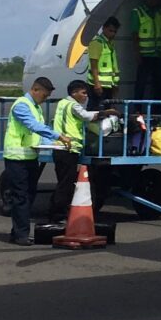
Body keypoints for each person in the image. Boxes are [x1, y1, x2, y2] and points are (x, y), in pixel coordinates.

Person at [0, 77, 59, 245]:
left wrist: (55, 143)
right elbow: (33, 126)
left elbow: (37, 135)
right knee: (21, 196)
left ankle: (17, 232)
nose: (45, 99)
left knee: (29, 195)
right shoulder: (22, 105)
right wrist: (56, 135)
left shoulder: (35, 108)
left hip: (30, 157)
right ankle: (21, 235)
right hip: (16, 158)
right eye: (44, 95)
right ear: (35, 90)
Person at [46, 79, 105, 228]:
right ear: (74, 93)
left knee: (63, 183)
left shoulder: (62, 103)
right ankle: (58, 216)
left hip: (61, 149)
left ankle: (57, 213)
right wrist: (105, 112)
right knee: (66, 184)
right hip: (67, 148)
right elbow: (86, 116)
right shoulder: (73, 105)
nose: (86, 96)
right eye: (83, 93)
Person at [131, 0, 161, 104]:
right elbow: (134, 34)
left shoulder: (160, 12)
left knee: (159, 83)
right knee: (141, 83)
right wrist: (137, 52)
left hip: (159, 54)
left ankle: (157, 109)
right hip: (145, 54)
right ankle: (137, 109)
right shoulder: (138, 12)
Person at [88, 17, 122, 108]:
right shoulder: (97, 43)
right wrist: (96, 83)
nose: (113, 34)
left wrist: (115, 84)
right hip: (98, 85)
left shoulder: (110, 44)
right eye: (110, 31)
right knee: (96, 109)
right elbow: (93, 64)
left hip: (108, 85)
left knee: (107, 110)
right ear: (104, 28)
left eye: (115, 31)